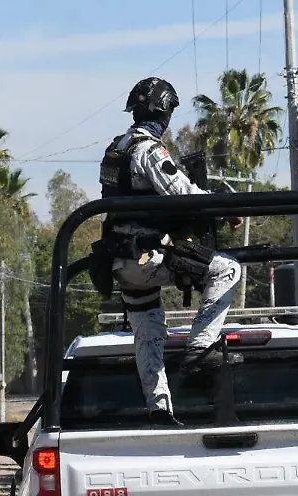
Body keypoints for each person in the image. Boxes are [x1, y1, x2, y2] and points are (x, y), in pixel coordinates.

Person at [93, 76, 242, 427]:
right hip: (149, 256)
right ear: (164, 110)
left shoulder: (116, 148)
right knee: (228, 269)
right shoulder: (148, 150)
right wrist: (226, 206)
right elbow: (183, 193)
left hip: (121, 261)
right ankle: (200, 350)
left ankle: (159, 410)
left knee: (148, 334)